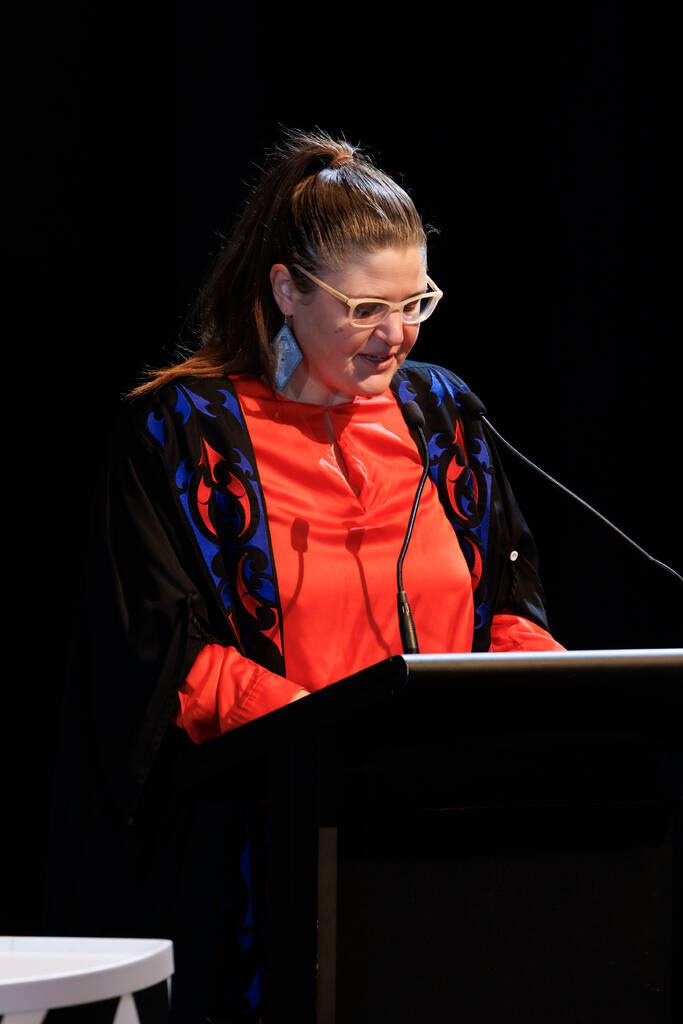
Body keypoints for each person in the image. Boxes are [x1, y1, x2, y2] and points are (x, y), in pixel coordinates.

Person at [49, 129, 564, 1021]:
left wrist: (539, 700)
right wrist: (335, 746)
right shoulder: (183, 433)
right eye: (365, 308)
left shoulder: (442, 411)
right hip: (270, 849)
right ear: (286, 289)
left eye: (415, 302)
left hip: (451, 835)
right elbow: (164, 656)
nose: (396, 336)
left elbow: (505, 607)